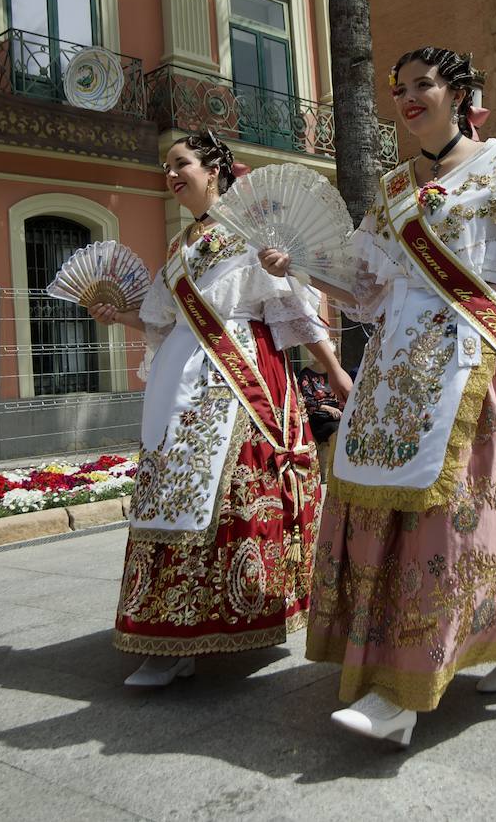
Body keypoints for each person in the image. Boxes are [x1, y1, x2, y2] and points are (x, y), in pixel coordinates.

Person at [286, 47, 496, 747]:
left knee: (462, 516)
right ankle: (407, 662)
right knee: (381, 501)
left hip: (482, 361)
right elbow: (370, 292)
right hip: (399, 365)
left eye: (423, 85)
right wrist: (306, 267)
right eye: (399, 88)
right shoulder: (393, 186)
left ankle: (415, 685)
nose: (407, 98)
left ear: (459, 94)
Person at [88, 131, 351, 687]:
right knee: (170, 492)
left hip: (239, 373)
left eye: (181, 163)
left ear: (214, 170)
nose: (171, 174)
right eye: (166, 166)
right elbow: (161, 321)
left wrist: (332, 368)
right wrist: (121, 316)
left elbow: (290, 309)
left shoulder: (251, 229)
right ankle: (170, 633)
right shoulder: (179, 245)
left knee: (227, 488)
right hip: (177, 379)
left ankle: (235, 614)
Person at [297, 361, 344, 445]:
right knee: (336, 428)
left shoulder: (335, 371)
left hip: (337, 415)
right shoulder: (306, 374)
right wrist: (328, 408)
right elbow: (307, 401)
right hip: (319, 417)